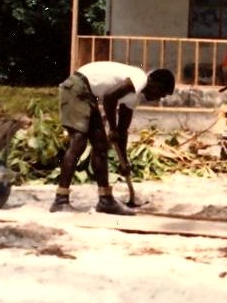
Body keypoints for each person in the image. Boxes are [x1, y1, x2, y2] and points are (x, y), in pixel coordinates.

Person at [51, 62, 175, 214]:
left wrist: (124, 161)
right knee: (79, 142)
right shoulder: (140, 79)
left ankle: (105, 200)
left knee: (100, 145)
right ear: (154, 83)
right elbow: (109, 97)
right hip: (77, 87)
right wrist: (112, 127)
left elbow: (122, 131)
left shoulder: (133, 99)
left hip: (89, 94)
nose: (158, 98)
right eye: (161, 93)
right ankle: (60, 200)